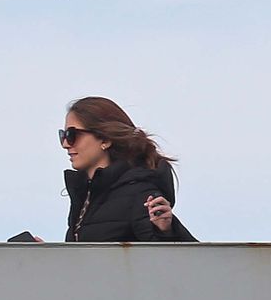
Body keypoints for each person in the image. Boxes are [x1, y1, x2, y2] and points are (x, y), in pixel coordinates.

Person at [59, 96, 196, 242]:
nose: (65, 144)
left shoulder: (139, 192)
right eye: (63, 135)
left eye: (72, 135)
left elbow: (167, 258)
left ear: (105, 139)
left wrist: (165, 231)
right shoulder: (86, 197)